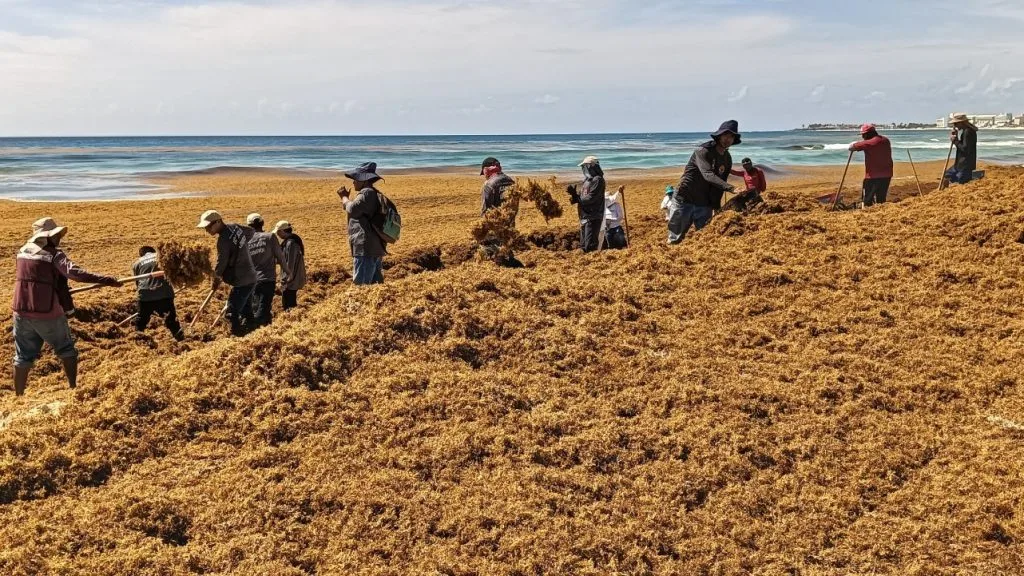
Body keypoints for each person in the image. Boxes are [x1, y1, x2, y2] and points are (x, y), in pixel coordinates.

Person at [11, 218, 121, 396]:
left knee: (23, 356)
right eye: (55, 236)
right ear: (46, 238)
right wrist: (106, 280)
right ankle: (73, 388)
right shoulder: (54, 255)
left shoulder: (22, 253)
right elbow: (75, 273)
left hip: (21, 311)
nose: (58, 239)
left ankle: (18, 396)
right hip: (47, 312)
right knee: (66, 349)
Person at [668, 120, 740, 244]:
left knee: (705, 239)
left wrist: (716, 208)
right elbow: (708, 175)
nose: (728, 139)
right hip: (685, 198)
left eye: (731, 137)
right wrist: (732, 188)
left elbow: (720, 183)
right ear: (719, 136)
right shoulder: (703, 151)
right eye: (725, 135)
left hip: (704, 204)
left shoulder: (727, 159)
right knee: (675, 238)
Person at [197, 210, 258, 336]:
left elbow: (221, 262)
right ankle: (253, 332)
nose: (207, 230)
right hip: (250, 276)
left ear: (218, 222)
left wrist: (216, 278)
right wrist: (240, 247)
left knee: (231, 312)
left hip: (241, 280)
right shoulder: (234, 227)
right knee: (246, 309)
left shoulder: (223, 240)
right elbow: (251, 232)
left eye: (208, 226)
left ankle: (237, 337)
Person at [337, 162, 386, 285]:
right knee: (375, 286)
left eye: (355, 179)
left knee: (361, 286)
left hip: (366, 247)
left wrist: (344, 197)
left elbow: (352, 209)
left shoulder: (367, 193)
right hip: (374, 246)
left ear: (363, 180)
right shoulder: (373, 193)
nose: (353, 182)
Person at [245, 213, 289, 328]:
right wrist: (288, 272)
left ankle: (260, 327)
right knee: (263, 308)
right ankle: (258, 331)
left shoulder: (245, 241)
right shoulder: (270, 237)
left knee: (255, 306)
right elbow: (281, 257)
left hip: (251, 280)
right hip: (267, 279)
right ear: (262, 223)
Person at [132, 246, 184, 341]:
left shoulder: (136, 263)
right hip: (164, 293)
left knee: (141, 320)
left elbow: (138, 283)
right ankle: (180, 338)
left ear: (141, 254)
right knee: (171, 319)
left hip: (145, 295)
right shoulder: (160, 257)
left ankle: (138, 339)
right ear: (153, 251)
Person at [478, 156, 523, 267]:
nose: (485, 176)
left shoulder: (489, 184)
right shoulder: (511, 181)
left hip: (495, 224)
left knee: (491, 248)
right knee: (507, 245)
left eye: (484, 173)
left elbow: (486, 210)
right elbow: (515, 204)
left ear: (486, 170)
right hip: (510, 222)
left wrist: (481, 229)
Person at [567, 156, 606, 253]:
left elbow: (590, 198)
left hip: (593, 217)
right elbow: (581, 197)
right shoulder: (586, 180)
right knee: (583, 245)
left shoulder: (598, 180)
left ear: (590, 166)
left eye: (583, 167)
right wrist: (574, 195)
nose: (582, 170)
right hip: (584, 216)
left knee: (590, 245)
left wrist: (577, 198)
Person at [848, 124, 893, 207]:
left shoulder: (870, 142)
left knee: (867, 199)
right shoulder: (886, 140)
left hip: (873, 176)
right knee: (881, 199)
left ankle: (866, 211)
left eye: (863, 135)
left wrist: (855, 144)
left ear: (866, 134)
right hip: (887, 174)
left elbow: (851, 147)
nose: (862, 137)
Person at [273, 220, 306, 310]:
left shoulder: (291, 243)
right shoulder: (291, 241)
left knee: (289, 300)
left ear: (282, 231)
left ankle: (291, 315)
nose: (278, 235)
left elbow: (290, 261)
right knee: (289, 297)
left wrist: (287, 277)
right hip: (291, 276)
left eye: (278, 232)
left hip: (291, 277)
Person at [942, 112, 978, 188]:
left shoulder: (968, 132)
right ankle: (945, 191)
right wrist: (956, 137)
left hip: (965, 165)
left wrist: (955, 141)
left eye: (956, 124)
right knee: (947, 175)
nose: (955, 126)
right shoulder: (966, 131)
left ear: (961, 123)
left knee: (959, 181)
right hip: (960, 164)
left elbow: (965, 149)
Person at [602, 185, 628, 250]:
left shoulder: (616, 205)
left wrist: (611, 220)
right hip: (607, 229)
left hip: (616, 227)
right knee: (608, 239)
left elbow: (620, 217)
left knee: (620, 238)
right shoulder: (602, 207)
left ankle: (623, 248)